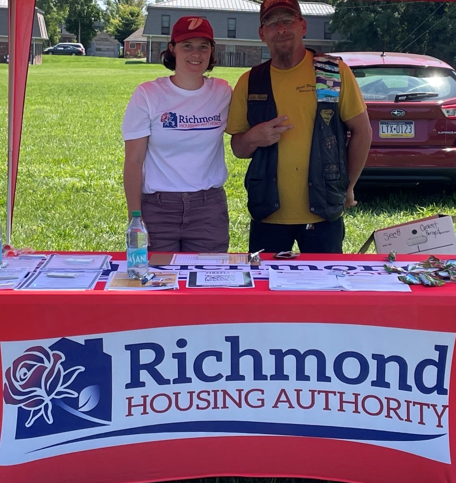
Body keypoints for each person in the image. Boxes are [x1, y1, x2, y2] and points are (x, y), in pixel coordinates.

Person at [226, 0, 372, 254]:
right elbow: (238, 148)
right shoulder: (250, 81)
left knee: (324, 291)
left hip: (323, 211)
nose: (280, 28)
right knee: (266, 291)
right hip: (268, 212)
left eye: (288, 20)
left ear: (302, 26)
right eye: (271, 23)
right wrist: (253, 137)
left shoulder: (332, 72)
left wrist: (348, 186)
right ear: (262, 34)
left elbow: (363, 131)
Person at [122, 17, 232, 252]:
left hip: (208, 208)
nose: (196, 53)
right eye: (187, 45)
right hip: (159, 207)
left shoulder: (223, 92)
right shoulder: (148, 95)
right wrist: (135, 217)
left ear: (212, 50)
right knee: (156, 282)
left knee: (207, 283)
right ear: (172, 49)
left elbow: (244, 130)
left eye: (204, 46)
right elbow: (133, 161)